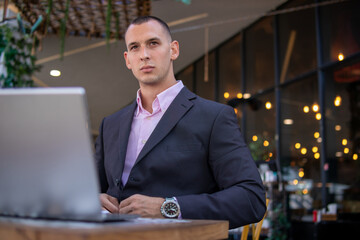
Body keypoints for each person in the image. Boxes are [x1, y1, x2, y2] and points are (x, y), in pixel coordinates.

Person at [95, 15, 266, 229]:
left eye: (153, 43)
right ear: (128, 59)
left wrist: (169, 208)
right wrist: (92, 200)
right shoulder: (110, 124)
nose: (144, 55)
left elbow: (251, 199)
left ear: (173, 50)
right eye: (135, 47)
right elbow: (91, 192)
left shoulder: (214, 117)